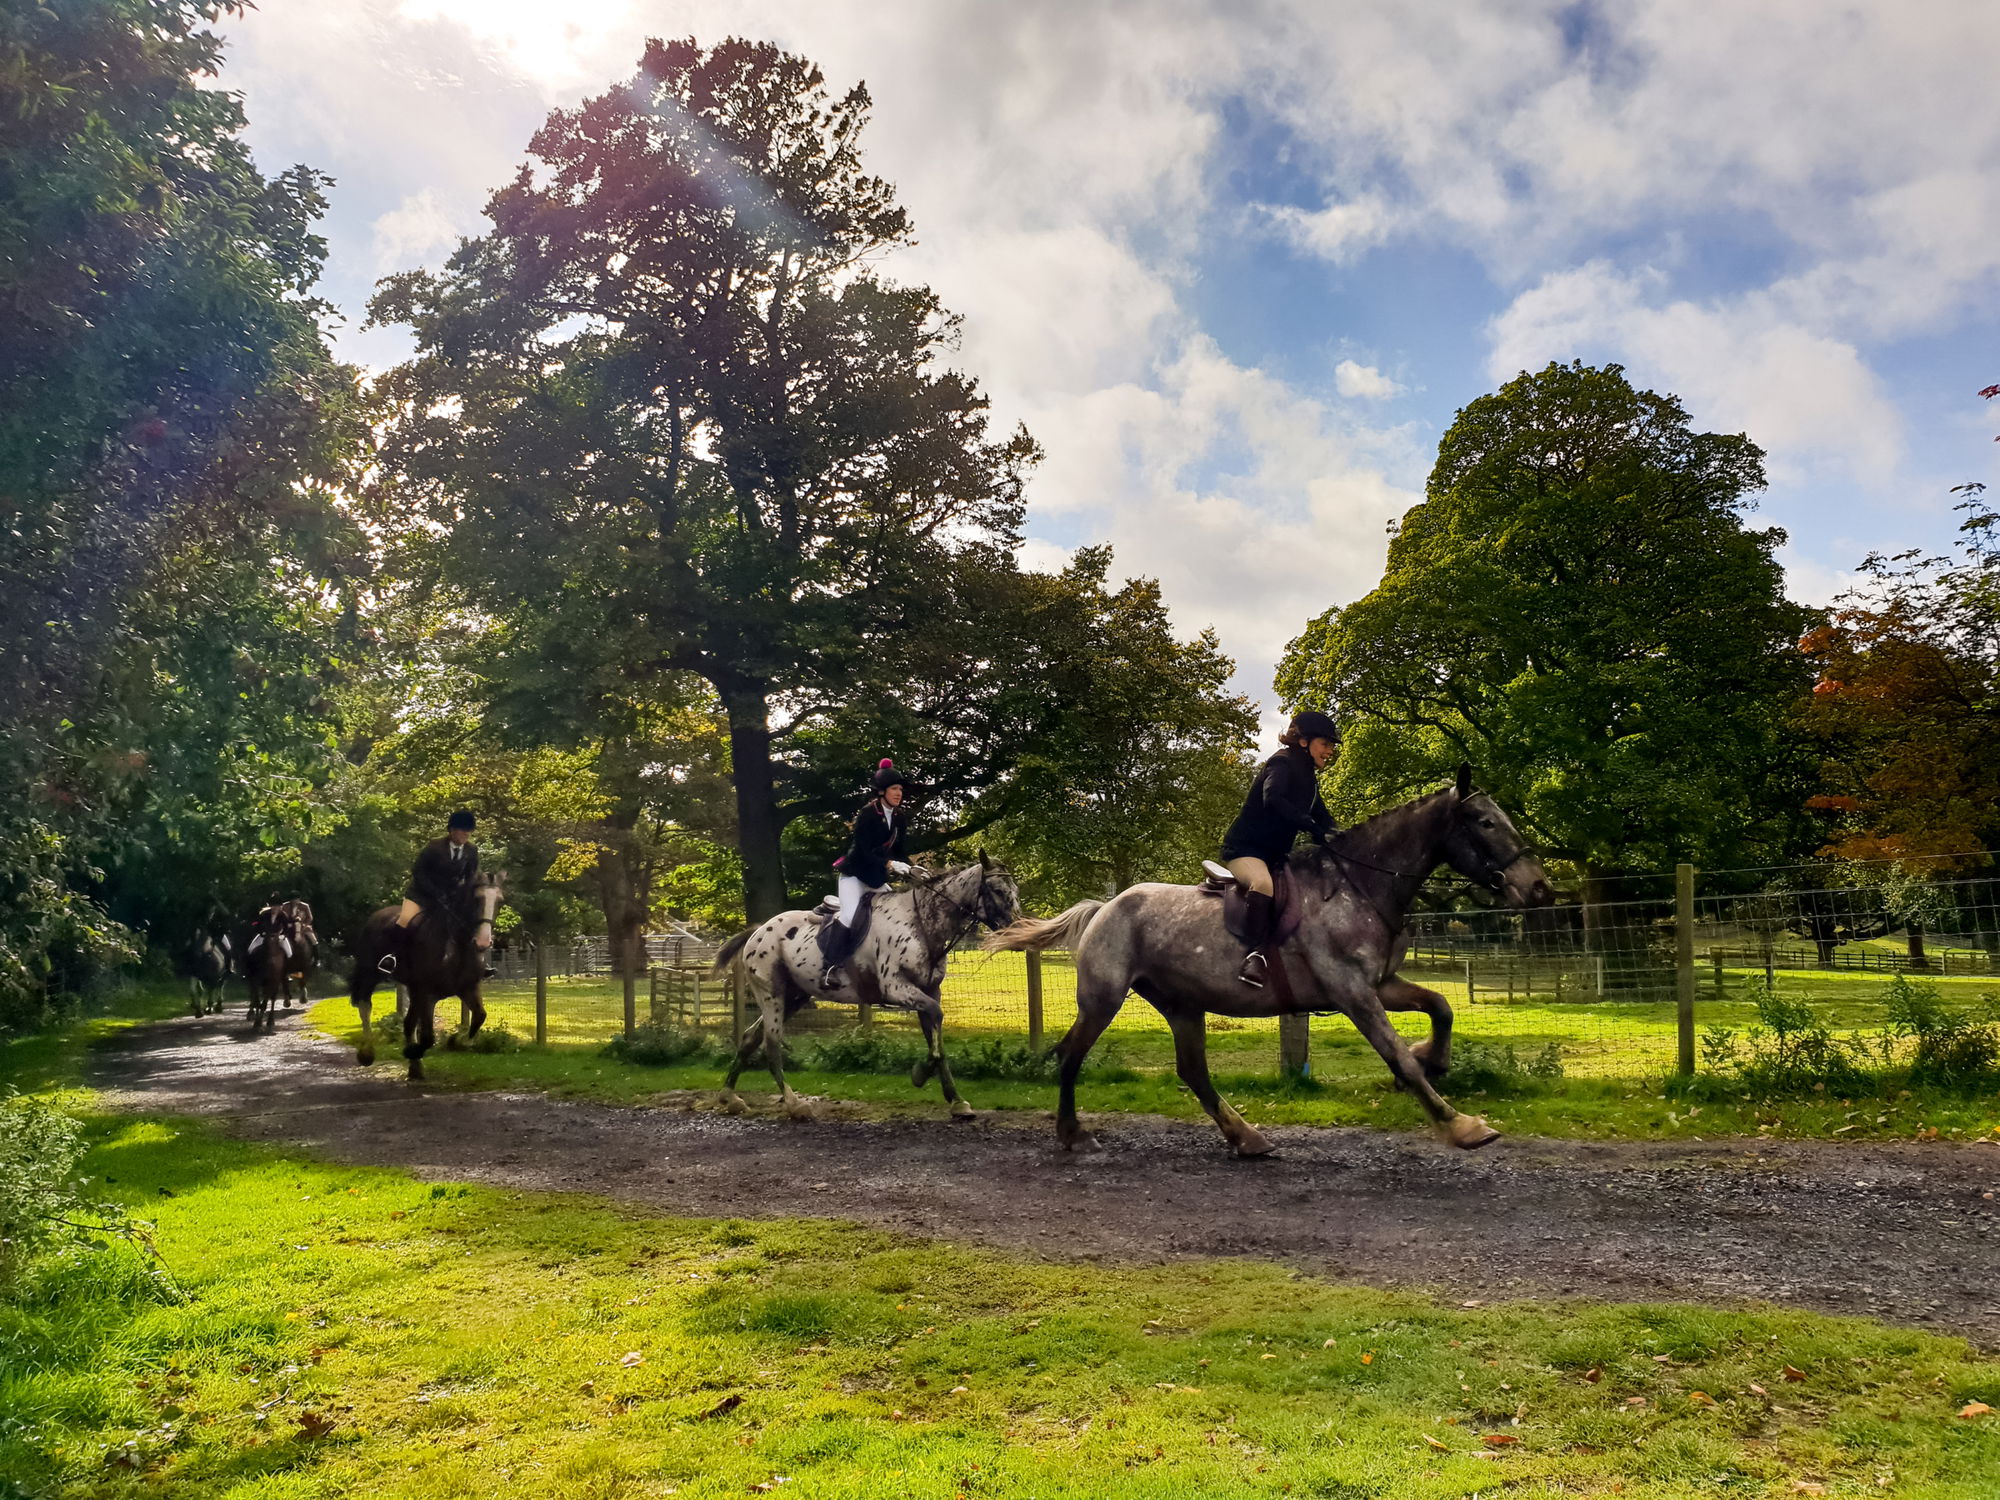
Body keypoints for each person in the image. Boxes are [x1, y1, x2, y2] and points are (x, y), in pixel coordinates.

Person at [1215, 710, 1341, 987]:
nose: (1330, 751)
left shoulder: (1309, 778)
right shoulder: (1281, 763)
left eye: (1331, 746)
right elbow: (1272, 799)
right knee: (1263, 885)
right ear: (1304, 741)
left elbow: (1322, 817)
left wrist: (1341, 838)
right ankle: (1255, 954)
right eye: (1325, 744)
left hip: (1274, 855)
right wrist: (1309, 825)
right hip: (1245, 850)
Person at [821, 759, 915, 989]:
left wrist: (913, 869)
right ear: (882, 791)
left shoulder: (899, 817)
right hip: (854, 875)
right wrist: (890, 864)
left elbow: (900, 851)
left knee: (897, 915)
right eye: (894, 789)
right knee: (849, 916)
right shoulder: (868, 813)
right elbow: (863, 852)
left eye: (900, 789)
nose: (899, 793)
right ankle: (829, 968)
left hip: (875, 879)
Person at [379, 809, 487, 974]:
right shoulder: (434, 847)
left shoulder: (471, 850)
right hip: (421, 894)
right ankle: (392, 957)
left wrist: (464, 894)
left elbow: (470, 876)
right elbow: (418, 872)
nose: (467, 834)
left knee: (468, 921)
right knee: (405, 919)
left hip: (450, 897)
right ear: (452, 830)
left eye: (469, 830)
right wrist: (435, 892)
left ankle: (475, 962)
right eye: (463, 830)